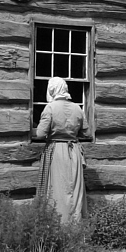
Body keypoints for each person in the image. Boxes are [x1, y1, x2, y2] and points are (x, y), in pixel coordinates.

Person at [33, 76, 88, 224]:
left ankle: (59, 226)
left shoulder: (50, 108)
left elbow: (40, 134)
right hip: (74, 151)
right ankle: (75, 226)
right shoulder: (78, 108)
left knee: (57, 190)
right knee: (74, 189)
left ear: (52, 90)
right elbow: (86, 133)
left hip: (57, 150)